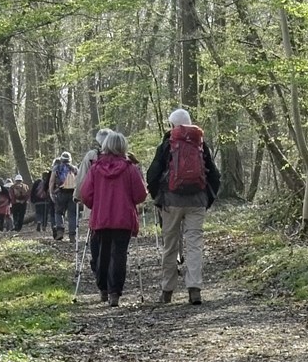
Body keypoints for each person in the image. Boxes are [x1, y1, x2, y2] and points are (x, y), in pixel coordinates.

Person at [144, 106, 220, 304]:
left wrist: (157, 198)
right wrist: (207, 199)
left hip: (171, 201)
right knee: (194, 244)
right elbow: (214, 174)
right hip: (197, 201)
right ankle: (194, 288)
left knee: (170, 245)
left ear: (172, 125)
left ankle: (167, 291)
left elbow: (152, 174)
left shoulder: (168, 144)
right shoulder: (200, 143)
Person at [78, 128, 146, 306]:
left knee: (102, 253)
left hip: (101, 218)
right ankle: (115, 292)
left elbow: (85, 194)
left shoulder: (95, 168)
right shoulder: (130, 169)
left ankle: (103, 290)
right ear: (123, 147)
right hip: (123, 218)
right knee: (119, 255)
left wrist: (97, 204)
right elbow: (140, 194)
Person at [49, 151, 79, 243]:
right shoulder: (74, 169)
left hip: (61, 193)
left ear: (61, 159)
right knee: (72, 215)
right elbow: (79, 181)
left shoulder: (57, 167)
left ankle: (60, 231)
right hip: (72, 193)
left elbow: (52, 181)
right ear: (70, 160)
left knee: (58, 213)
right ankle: (72, 235)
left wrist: (51, 192)